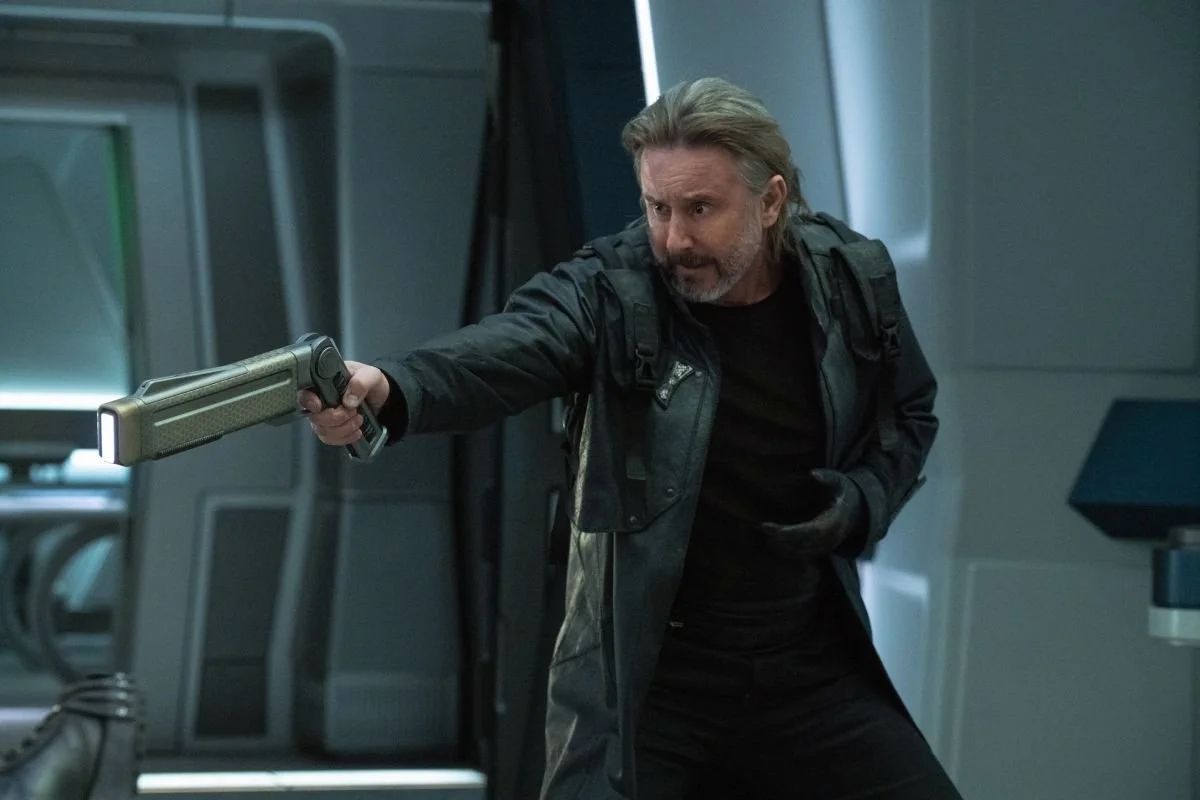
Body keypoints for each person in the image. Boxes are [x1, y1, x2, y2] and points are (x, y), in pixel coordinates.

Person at [299, 78, 960, 800]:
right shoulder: (613, 290)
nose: (674, 240)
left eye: (700, 209)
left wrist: (862, 499)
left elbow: (910, 412)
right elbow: (508, 347)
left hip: (810, 667)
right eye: (657, 208)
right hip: (651, 683)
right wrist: (391, 386)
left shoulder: (849, 281)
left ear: (771, 201)